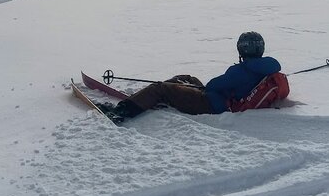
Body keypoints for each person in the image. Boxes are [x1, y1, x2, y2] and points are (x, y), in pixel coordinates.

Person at [97, 32, 281, 123]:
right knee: (187, 78)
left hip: (213, 105)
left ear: (242, 49)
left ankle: (121, 112)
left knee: (160, 88)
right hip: (222, 100)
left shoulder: (242, 70)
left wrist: (213, 87)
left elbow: (212, 86)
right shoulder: (265, 67)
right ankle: (162, 98)